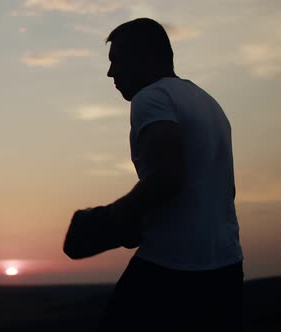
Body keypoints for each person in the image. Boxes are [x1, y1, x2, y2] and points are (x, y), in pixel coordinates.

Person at [63, 18, 244, 331]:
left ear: (144, 57)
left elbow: (167, 177)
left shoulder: (152, 98)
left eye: (116, 61)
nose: (111, 73)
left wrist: (108, 220)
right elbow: (221, 190)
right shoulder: (208, 103)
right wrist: (139, 223)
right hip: (226, 269)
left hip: (172, 269)